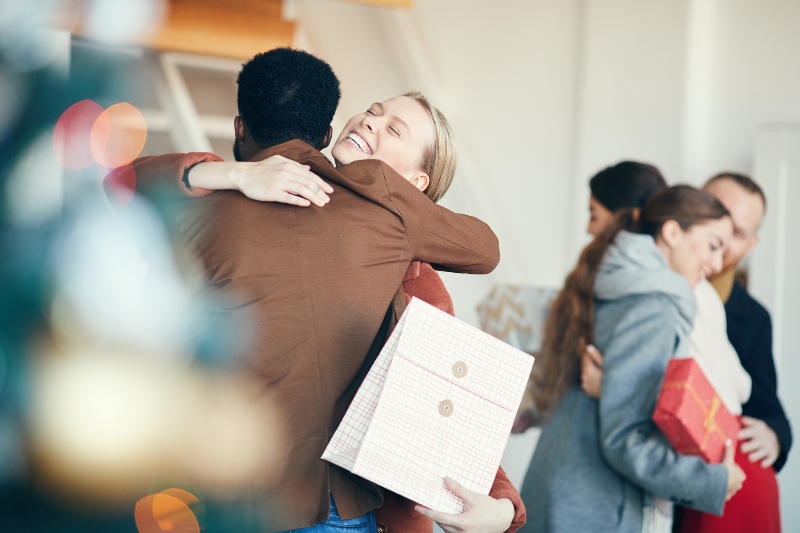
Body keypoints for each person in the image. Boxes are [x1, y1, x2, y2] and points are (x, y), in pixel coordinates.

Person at [106, 49, 502, 532]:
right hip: (323, 503)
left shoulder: (202, 210)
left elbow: (443, 402)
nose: (373, 123)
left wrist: (221, 173)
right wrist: (231, 174)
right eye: (373, 111)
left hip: (218, 489)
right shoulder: (386, 218)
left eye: (393, 128)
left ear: (239, 127)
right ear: (328, 134)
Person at [518, 186, 745, 533]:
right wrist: (713, 481)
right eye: (714, 245)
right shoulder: (654, 308)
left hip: (559, 487)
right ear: (672, 232)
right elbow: (626, 440)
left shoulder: (609, 280)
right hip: (593, 506)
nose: (717, 265)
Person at [678, 173, 787, 533]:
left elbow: (765, 404)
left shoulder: (753, 318)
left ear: (750, 245)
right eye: (714, 213)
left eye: (737, 233)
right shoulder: (657, 281)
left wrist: (774, 436)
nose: (722, 237)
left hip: (728, 487)